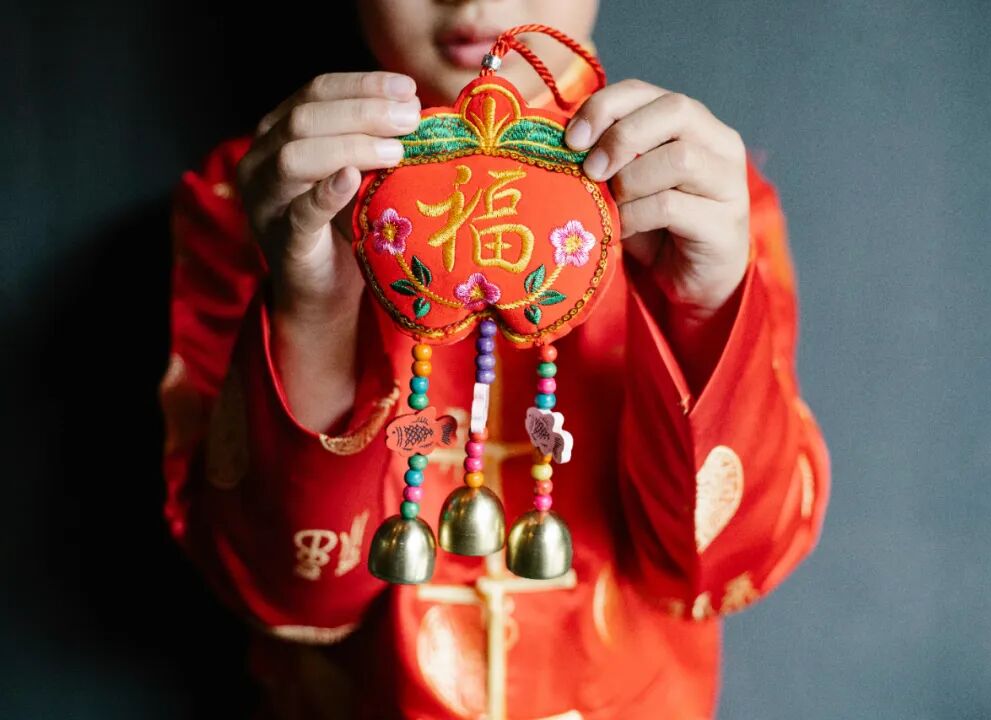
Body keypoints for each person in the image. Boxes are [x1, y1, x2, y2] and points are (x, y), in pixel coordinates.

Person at [159, 1, 830, 718]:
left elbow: (722, 565)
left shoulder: (698, 198)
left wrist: (702, 309)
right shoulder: (261, 196)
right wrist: (311, 311)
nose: (476, 0)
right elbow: (284, 585)